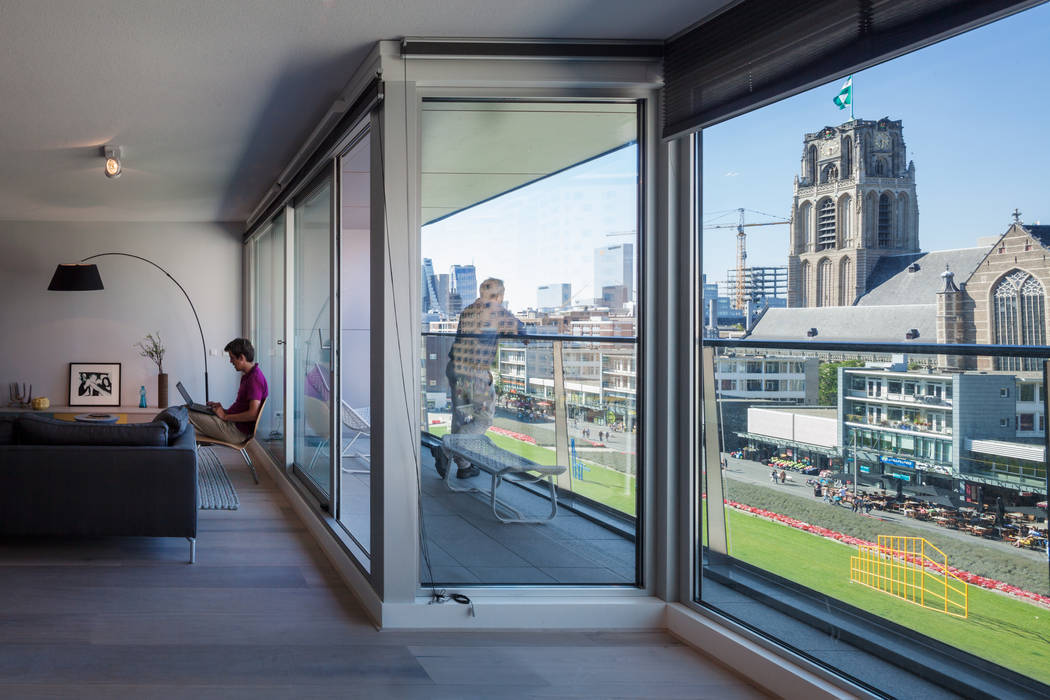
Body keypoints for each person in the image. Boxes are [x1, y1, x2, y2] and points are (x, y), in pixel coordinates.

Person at [440, 278, 524, 478]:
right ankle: (444, 450)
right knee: (484, 419)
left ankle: (464, 466)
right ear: (499, 296)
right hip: (474, 374)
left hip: (455, 369)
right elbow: (523, 331)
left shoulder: (468, 310)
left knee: (460, 417)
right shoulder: (496, 311)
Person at [187, 338, 269, 443]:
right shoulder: (249, 376)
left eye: (232, 358)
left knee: (186, 413)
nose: (230, 361)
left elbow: (253, 414)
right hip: (232, 425)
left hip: (236, 432)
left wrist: (225, 416)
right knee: (188, 409)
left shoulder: (254, 379)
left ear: (242, 358)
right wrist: (223, 410)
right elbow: (242, 408)